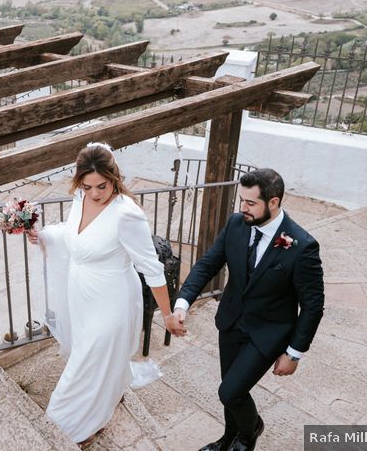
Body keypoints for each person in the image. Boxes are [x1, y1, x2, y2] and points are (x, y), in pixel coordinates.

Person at [26, 142, 173, 448]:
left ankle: (68, 425)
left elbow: (152, 268)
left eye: (102, 186)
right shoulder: (80, 198)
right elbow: (72, 234)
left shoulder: (126, 214)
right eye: (87, 185)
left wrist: (168, 315)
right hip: (80, 293)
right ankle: (104, 398)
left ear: (114, 177)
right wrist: (42, 235)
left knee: (84, 363)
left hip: (114, 301)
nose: (94, 193)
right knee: (91, 358)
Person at [167, 168, 324, 451]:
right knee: (232, 391)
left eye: (251, 203)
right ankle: (229, 438)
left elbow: (313, 306)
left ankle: (249, 434)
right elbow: (207, 264)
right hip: (230, 323)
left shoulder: (302, 246)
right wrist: (183, 303)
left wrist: (294, 353)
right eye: (242, 200)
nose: (243, 208)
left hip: (267, 333)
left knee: (230, 391)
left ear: (273, 202)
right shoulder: (237, 224)